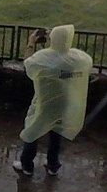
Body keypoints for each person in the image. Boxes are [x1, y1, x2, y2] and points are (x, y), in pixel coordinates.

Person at [13, 24, 92, 176]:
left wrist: (31, 43)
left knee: (33, 129)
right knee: (57, 132)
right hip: (65, 102)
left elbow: (28, 63)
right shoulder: (79, 58)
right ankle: (53, 165)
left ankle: (27, 165)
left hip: (45, 102)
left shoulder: (44, 58)